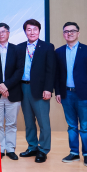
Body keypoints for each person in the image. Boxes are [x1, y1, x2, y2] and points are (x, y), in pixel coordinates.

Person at [54, 22, 87, 167]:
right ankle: (74, 153)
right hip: (66, 94)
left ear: (78, 33)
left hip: (83, 95)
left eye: (73, 31)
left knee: (84, 126)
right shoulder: (59, 52)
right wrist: (58, 92)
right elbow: (57, 75)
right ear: (63, 34)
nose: (70, 33)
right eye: (66, 31)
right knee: (71, 126)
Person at [17, 19, 56, 163]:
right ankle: (32, 146)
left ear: (39, 31)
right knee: (28, 121)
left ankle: (43, 149)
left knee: (43, 122)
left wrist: (48, 89)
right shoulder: (19, 48)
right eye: (29, 29)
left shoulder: (47, 47)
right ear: (25, 31)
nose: (32, 32)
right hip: (23, 87)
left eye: (35, 29)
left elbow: (50, 71)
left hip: (40, 89)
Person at [0, 23, 24, 160]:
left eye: (3, 31)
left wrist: (6, 86)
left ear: (8, 33)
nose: (0, 34)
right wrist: (0, 86)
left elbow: (20, 71)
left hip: (13, 92)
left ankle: (11, 148)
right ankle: (0, 148)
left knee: (12, 123)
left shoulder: (17, 49)